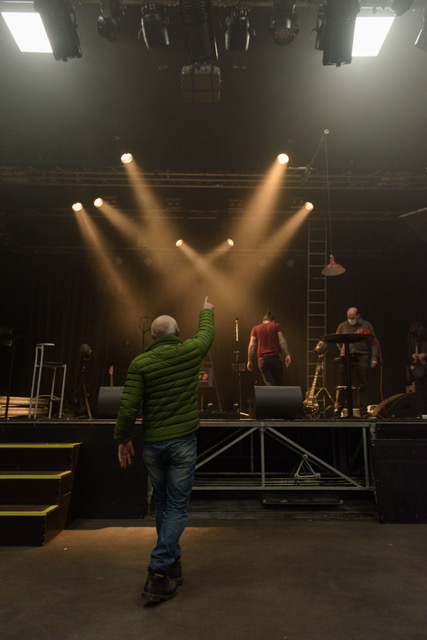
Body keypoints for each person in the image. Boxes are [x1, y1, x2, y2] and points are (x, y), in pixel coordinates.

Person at [114, 296, 215, 603]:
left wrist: (122, 438)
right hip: (183, 442)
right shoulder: (188, 352)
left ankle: (173, 563)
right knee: (177, 508)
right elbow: (205, 335)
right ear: (177, 332)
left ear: (154, 337)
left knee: (162, 505)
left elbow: (128, 405)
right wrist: (206, 311)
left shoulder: (140, 363)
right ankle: (158, 573)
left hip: (153, 445)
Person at [334, 307, 379, 417]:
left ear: (358, 316)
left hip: (361, 356)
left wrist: (374, 357)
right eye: (348, 318)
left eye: (352, 318)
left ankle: (363, 411)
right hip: (346, 357)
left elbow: (374, 342)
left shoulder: (366, 325)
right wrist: (342, 350)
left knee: (362, 383)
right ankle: (338, 410)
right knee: (342, 384)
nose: (350, 320)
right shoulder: (343, 325)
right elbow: (336, 339)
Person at [246, 310, 291, 386]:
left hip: (262, 360)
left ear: (263, 321)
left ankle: (271, 396)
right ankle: (278, 397)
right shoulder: (277, 326)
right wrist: (287, 354)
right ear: (273, 321)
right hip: (276, 359)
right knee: (278, 384)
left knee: (269, 384)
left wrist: (249, 360)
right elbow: (282, 340)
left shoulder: (255, 328)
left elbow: (251, 345)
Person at [408, 320, 427, 413]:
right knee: (420, 391)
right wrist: (413, 356)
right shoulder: (414, 340)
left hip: (424, 365)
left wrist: (425, 355)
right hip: (419, 370)